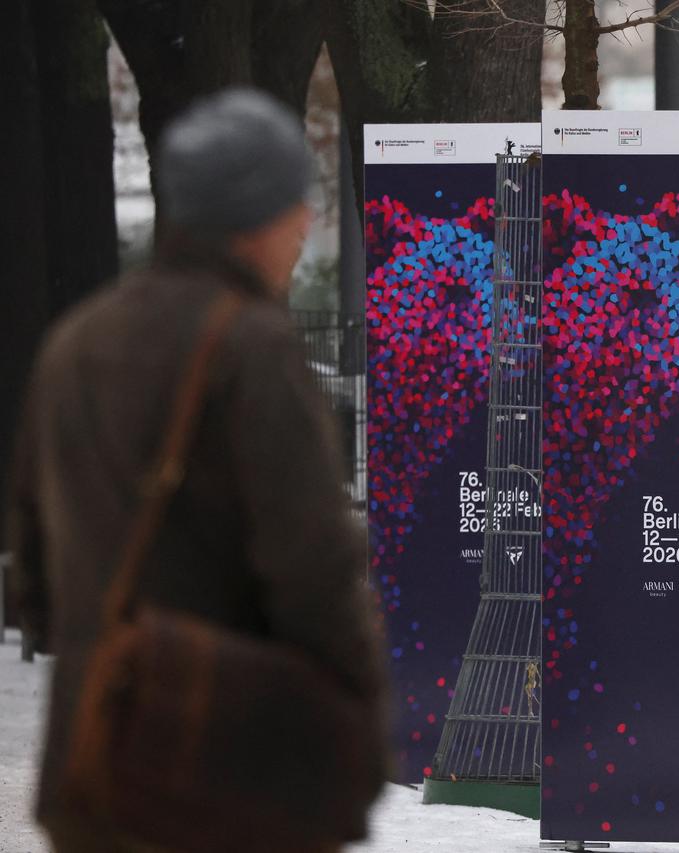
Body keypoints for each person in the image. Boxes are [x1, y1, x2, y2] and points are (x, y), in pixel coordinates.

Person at [6, 90, 387, 853]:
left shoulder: (75, 342)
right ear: (257, 220)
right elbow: (313, 566)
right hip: (224, 765)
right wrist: (361, 723)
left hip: (96, 762)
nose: (304, 224)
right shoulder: (252, 351)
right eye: (294, 205)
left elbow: (32, 577)